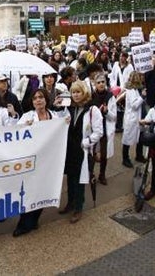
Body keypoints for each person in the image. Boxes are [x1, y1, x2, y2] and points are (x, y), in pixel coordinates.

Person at [12, 89, 63, 236]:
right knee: (29, 193)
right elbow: (15, 134)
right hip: (32, 162)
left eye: (41, 97)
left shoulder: (54, 116)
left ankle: (34, 221)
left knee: (42, 192)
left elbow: (62, 128)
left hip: (48, 162)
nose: (38, 100)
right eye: (35, 98)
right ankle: (23, 224)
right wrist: (24, 128)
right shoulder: (27, 117)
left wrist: (64, 122)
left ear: (46, 99)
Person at [59, 80, 102, 223]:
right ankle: (70, 202)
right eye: (73, 92)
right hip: (70, 150)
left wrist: (87, 142)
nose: (75, 95)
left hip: (82, 150)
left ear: (84, 93)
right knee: (70, 178)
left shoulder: (92, 110)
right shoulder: (70, 108)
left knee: (79, 180)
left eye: (78, 92)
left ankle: (78, 207)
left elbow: (98, 132)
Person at [90, 73, 116, 185]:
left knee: (104, 155)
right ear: (95, 84)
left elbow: (114, 116)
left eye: (103, 82)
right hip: (93, 129)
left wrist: (106, 111)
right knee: (91, 153)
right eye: (98, 82)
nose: (101, 84)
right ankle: (91, 174)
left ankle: (102, 174)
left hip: (105, 130)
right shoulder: (91, 96)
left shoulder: (110, 96)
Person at [117, 71, 144, 168]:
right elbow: (134, 105)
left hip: (135, 119)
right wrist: (142, 97)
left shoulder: (135, 90)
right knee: (127, 139)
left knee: (138, 137)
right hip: (131, 119)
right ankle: (125, 158)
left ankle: (138, 155)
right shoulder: (131, 91)